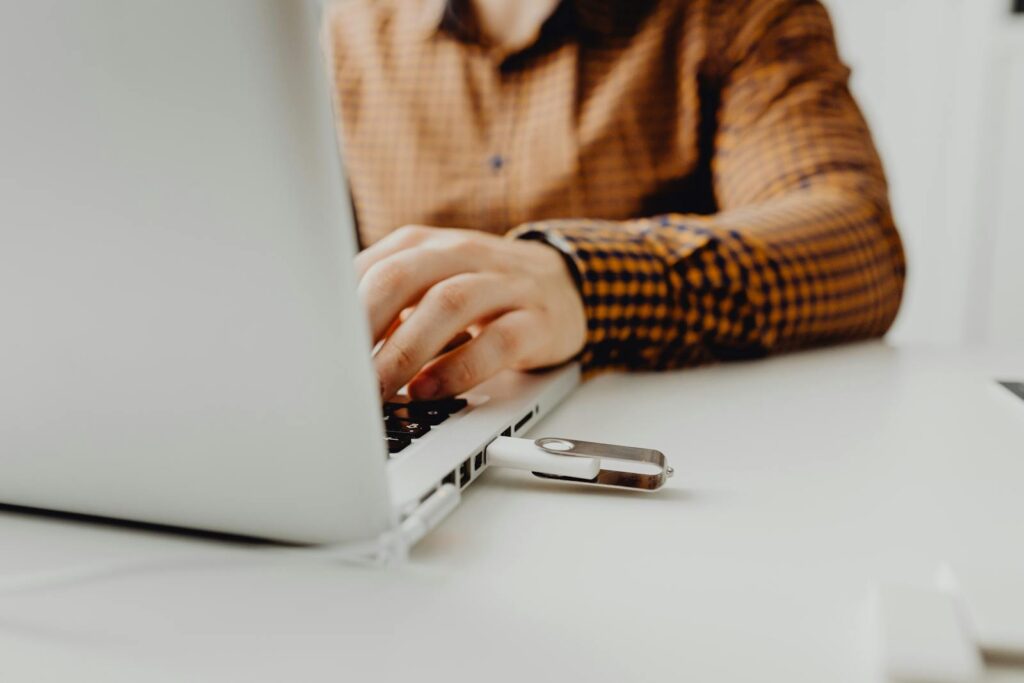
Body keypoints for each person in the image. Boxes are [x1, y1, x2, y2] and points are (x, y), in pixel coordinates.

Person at [324, 0, 906, 400]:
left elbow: (856, 241)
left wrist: (586, 279)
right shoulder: (342, 39)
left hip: (667, 462)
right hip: (416, 438)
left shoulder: (736, 15)